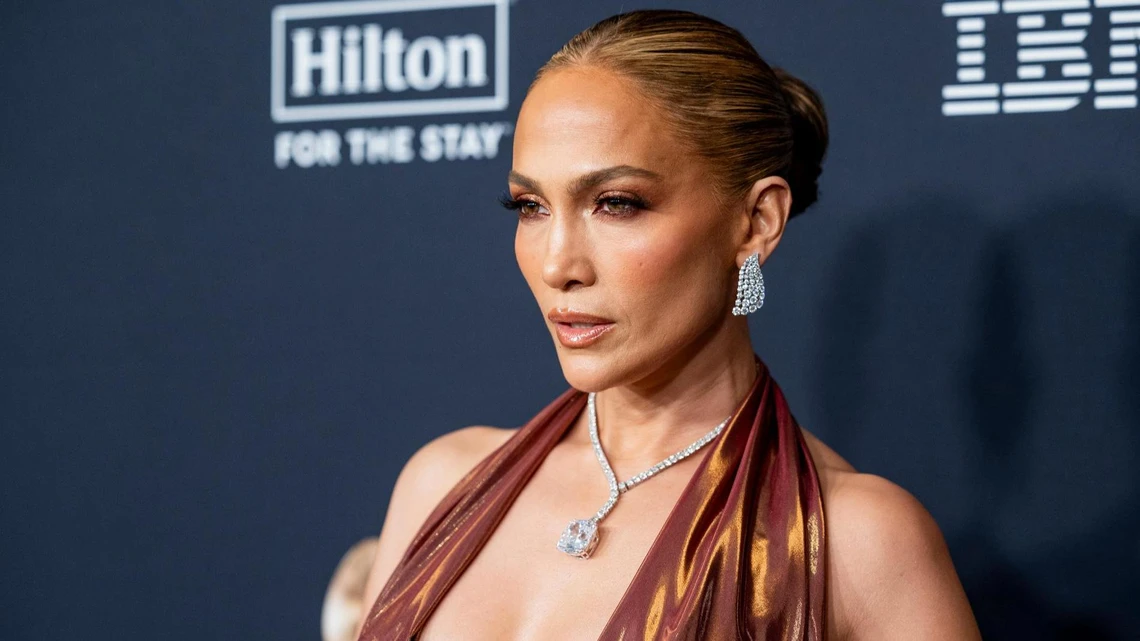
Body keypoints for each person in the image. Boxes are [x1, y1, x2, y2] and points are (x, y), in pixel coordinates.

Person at [355, 9, 982, 640]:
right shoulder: (441, 484)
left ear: (757, 222)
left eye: (616, 204)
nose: (557, 265)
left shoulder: (854, 542)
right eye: (531, 206)